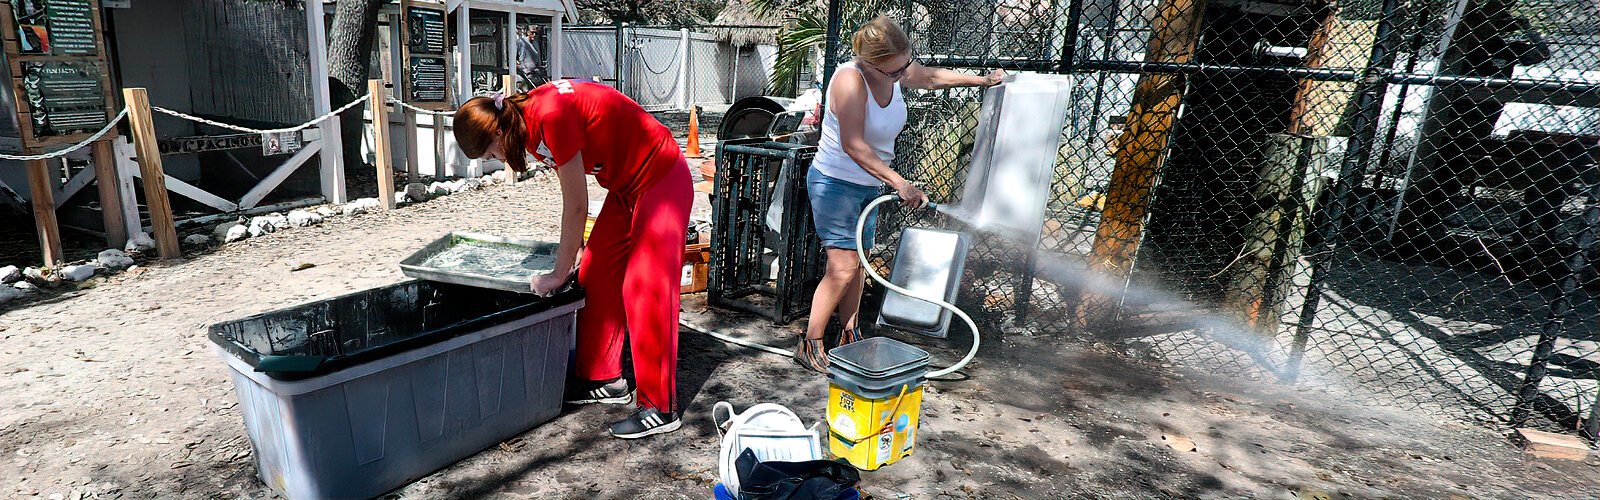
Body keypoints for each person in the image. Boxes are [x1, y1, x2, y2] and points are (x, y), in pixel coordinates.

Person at [453, 79, 692, 439]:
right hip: (626, 187)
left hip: (660, 176)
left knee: (644, 286)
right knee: (594, 273)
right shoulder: (523, 121)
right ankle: (605, 379)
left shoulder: (550, 115)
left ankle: (660, 406)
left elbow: (576, 204)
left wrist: (557, 272)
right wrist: (575, 249)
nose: (496, 160)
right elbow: (573, 187)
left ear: (498, 133)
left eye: (490, 153)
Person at [796, 15, 1005, 372]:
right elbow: (854, 145)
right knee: (842, 266)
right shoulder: (851, 80)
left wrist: (983, 80)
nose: (902, 76)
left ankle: (850, 334)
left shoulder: (895, 69)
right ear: (870, 62)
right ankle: (810, 341)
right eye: (894, 72)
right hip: (835, 184)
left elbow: (931, 77)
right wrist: (899, 182)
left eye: (904, 66)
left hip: (867, 185)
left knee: (858, 262)